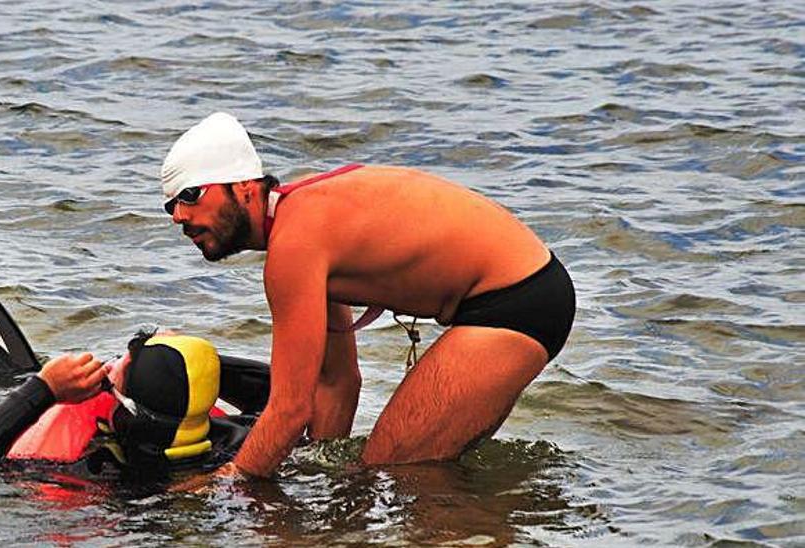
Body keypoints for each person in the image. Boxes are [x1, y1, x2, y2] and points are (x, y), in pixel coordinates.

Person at [158, 112, 576, 477]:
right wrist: (319, 471)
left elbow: (289, 410)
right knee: (413, 474)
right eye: (170, 205)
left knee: (391, 471)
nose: (179, 216)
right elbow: (338, 382)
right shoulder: (300, 222)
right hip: (532, 295)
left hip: (515, 301)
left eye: (191, 195)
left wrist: (228, 483)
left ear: (246, 186)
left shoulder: (295, 243)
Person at [0, 331, 270, 477]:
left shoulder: (95, 473)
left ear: (128, 412)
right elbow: (274, 390)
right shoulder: (238, 438)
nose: (106, 368)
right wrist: (187, 359)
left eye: (111, 378)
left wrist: (41, 389)